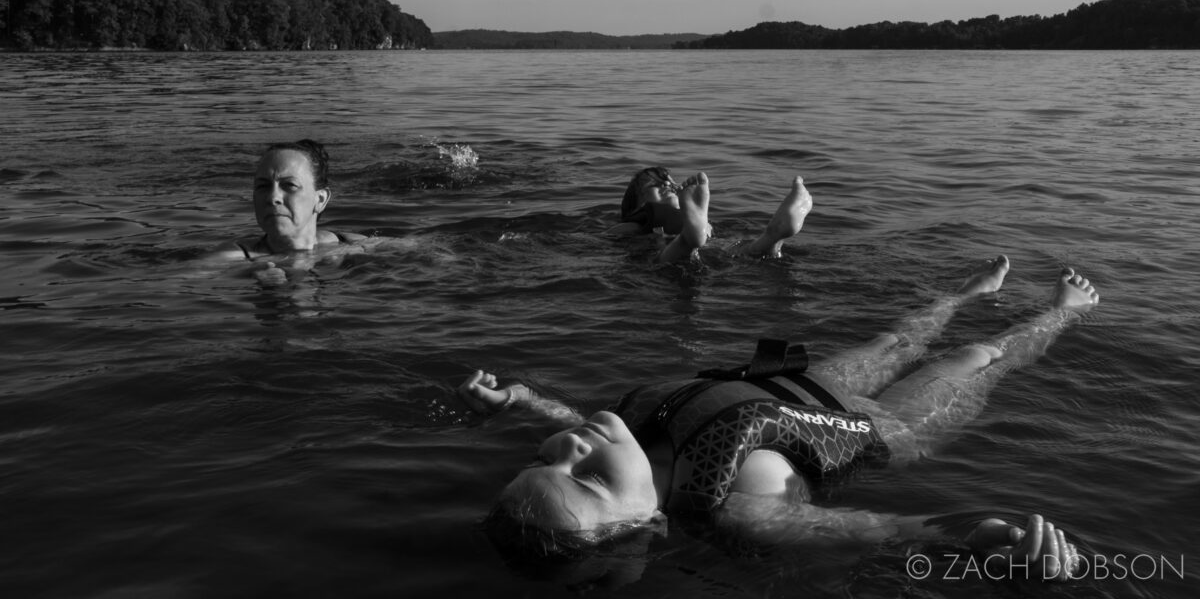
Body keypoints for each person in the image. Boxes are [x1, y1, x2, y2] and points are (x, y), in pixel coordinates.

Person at [458, 257, 1100, 582]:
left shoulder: (626, 437)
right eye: (587, 477)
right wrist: (972, 542)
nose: (571, 443)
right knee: (974, 359)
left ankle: (964, 294)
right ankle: (1060, 312)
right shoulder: (737, 507)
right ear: (644, 521)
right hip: (881, 430)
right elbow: (878, 530)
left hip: (801, 389)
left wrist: (519, 402)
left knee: (895, 342)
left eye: (545, 458)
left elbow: (579, 430)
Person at [608, 167, 811, 264]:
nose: (666, 186)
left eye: (669, 184)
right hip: (697, 253)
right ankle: (773, 239)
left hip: (701, 252)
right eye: (652, 185)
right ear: (636, 208)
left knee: (735, 249)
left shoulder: (699, 222)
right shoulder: (634, 224)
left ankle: (773, 237)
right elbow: (612, 235)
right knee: (742, 252)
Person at [212, 139, 366, 263]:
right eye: (263, 186)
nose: (273, 198)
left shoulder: (357, 246)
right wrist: (246, 273)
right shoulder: (231, 258)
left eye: (290, 185)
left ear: (320, 199)